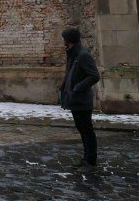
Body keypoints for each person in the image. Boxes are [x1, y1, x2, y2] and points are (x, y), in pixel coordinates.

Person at [59, 27, 101, 171]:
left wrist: (78, 87)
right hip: (75, 100)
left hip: (82, 100)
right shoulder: (73, 54)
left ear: (69, 40)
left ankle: (91, 161)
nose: (62, 40)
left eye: (64, 38)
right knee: (82, 129)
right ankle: (86, 159)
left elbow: (94, 75)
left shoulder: (83, 55)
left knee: (87, 130)